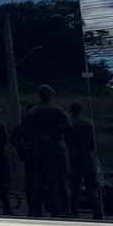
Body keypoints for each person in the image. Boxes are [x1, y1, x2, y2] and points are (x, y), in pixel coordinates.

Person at [25, 85, 72, 217]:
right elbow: (68, 126)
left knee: (39, 180)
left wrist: (37, 135)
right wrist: (56, 132)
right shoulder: (57, 110)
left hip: (40, 147)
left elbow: (24, 128)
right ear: (50, 95)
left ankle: (37, 210)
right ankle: (63, 210)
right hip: (57, 145)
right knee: (62, 180)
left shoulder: (32, 111)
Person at [67, 101, 103, 219]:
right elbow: (91, 143)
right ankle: (96, 210)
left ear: (71, 110)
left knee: (74, 186)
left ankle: (73, 210)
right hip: (86, 158)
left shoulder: (67, 123)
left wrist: (72, 152)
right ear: (82, 111)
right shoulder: (87, 124)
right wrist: (82, 152)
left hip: (72, 158)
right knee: (91, 186)